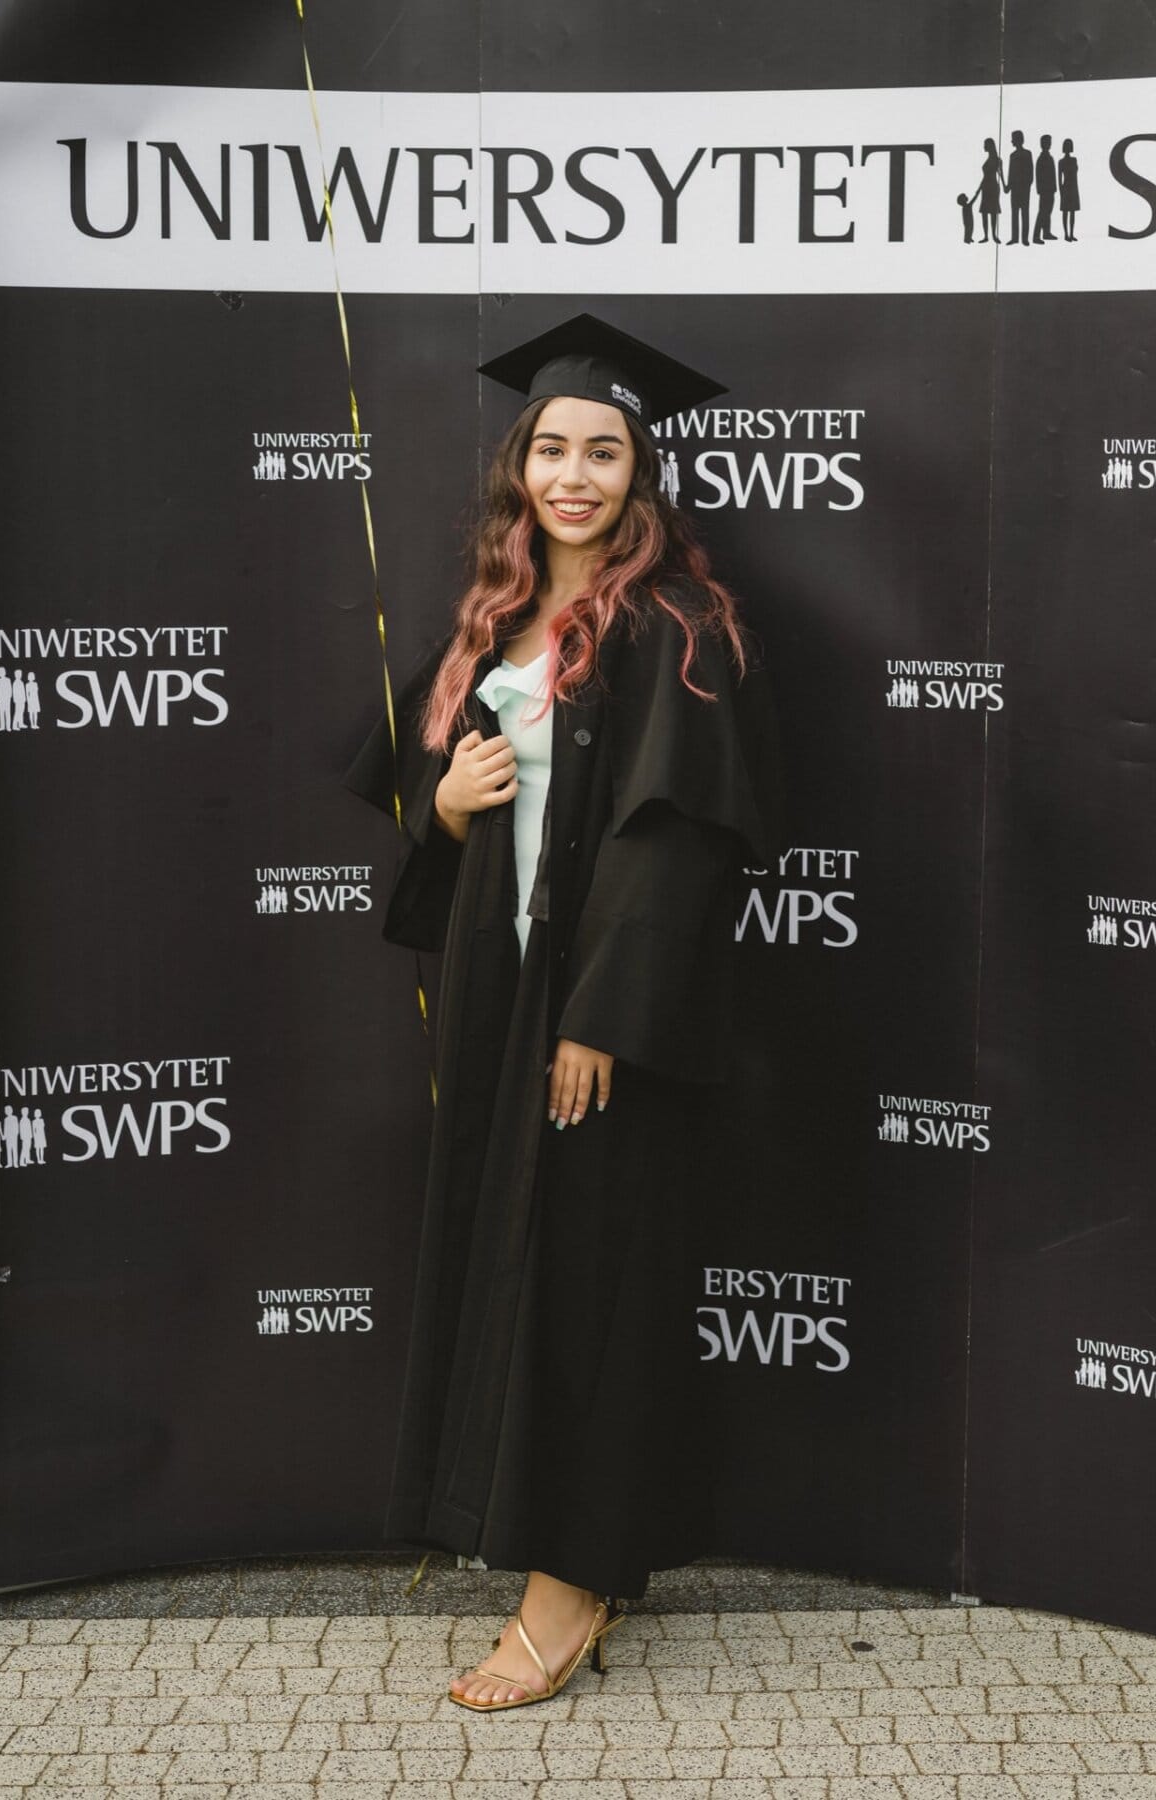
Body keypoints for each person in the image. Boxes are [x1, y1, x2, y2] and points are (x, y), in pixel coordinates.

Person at [347, 312, 784, 1713]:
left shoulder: (677, 629)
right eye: (553, 448)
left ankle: (572, 1590)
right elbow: (436, 799)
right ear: (519, 468)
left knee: (594, 1289)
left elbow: (677, 847)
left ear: (640, 473)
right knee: (518, 1274)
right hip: (498, 997)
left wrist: (603, 1017)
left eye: (605, 450)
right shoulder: (500, 621)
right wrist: (447, 810)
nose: (576, 474)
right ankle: (536, 1544)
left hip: (598, 1021)